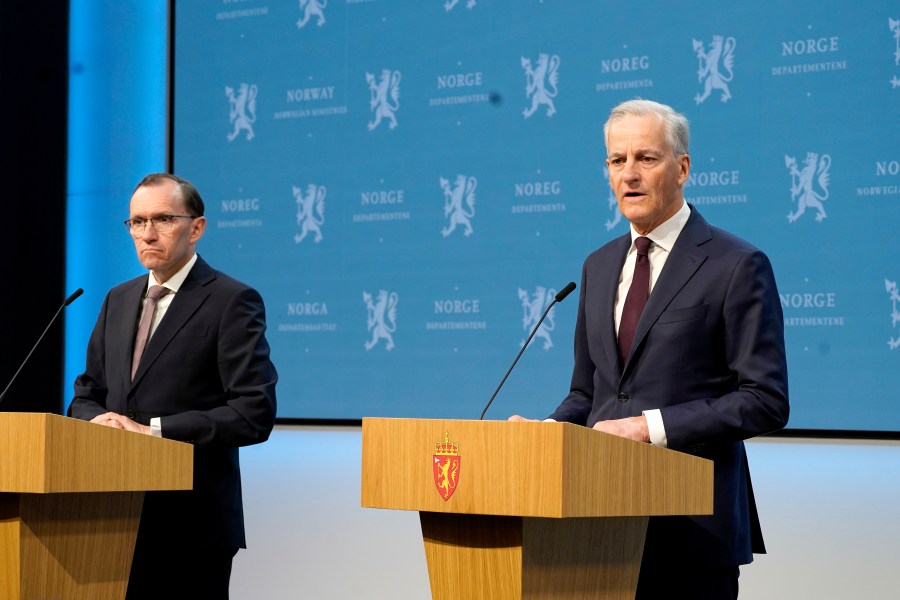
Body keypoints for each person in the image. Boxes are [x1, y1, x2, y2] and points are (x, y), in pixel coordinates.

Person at [509, 99, 789, 599]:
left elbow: (765, 400)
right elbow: (589, 393)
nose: (629, 175)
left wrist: (648, 427)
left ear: (682, 168)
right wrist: (549, 435)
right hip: (595, 529)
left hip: (692, 534)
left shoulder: (736, 264)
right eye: (617, 161)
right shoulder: (597, 266)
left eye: (646, 158)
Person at [68, 173, 277, 600]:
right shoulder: (118, 299)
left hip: (190, 524)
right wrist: (98, 419)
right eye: (137, 222)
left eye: (163, 219)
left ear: (196, 228)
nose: (147, 233)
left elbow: (253, 413)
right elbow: (86, 394)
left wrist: (155, 431)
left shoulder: (231, 300)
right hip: (109, 515)